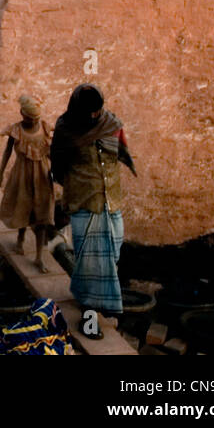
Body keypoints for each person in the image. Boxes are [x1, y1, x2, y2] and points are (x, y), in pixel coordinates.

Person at [51, 84, 136, 331]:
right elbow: (57, 165)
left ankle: (86, 290)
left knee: (114, 248)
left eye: (97, 112)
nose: (93, 117)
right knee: (89, 256)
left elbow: (121, 151)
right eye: (89, 112)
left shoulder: (111, 124)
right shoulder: (65, 130)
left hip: (111, 198)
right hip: (83, 198)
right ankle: (94, 305)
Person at [0, 95, 55, 272]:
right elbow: (7, 152)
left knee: (42, 214)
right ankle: (20, 239)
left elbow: (50, 153)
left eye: (35, 118)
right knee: (23, 206)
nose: (33, 121)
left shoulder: (44, 128)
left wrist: (59, 169)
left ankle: (38, 257)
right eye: (29, 118)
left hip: (42, 175)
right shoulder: (17, 131)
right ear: (22, 114)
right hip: (22, 174)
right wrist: (0, 175)